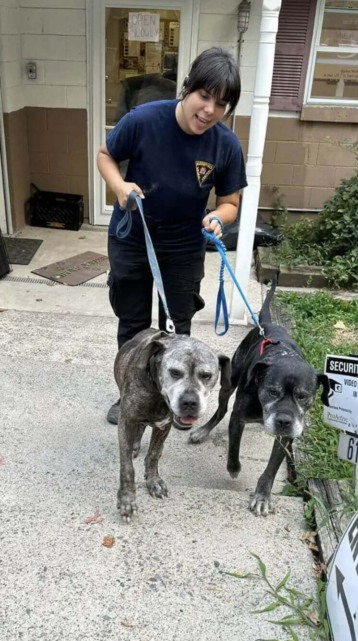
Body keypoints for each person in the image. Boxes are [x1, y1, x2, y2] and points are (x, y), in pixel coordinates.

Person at [97, 46, 247, 425]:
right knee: (133, 327)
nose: (210, 110)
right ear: (188, 88)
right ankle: (130, 396)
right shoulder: (144, 120)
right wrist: (119, 186)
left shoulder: (225, 145)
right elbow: (105, 155)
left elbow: (230, 202)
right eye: (204, 96)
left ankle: (173, 398)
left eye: (221, 103)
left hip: (183, 248)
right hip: (133, 238)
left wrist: (218, 217)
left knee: (176, 331)